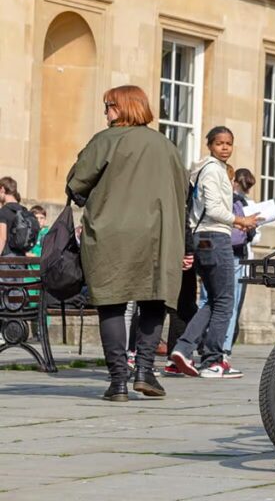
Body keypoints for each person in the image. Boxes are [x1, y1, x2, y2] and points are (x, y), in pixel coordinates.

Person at [66, 85, 187, 401]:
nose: (104, 112)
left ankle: (118, 381)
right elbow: (184, 192)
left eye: (107, 105)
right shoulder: (167, 146)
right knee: (154, 300)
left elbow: (76, 182)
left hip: (112, 232)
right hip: (160, 235)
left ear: (120, 108)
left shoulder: (106, 140)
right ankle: (144, 372)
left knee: (112, 303)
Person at [168, 127, 260, 379]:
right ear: (209, 145)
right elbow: (213, 208)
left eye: (229, 143)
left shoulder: (209, 169)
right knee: (225, 301)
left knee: (212, 299)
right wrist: (241, 221)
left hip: (204, 238)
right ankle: (213, 360)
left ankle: (183, 349)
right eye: (219, 143)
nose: (225, 147)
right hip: (214, 237)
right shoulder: (212, 170)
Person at [226, 168, 258, 352]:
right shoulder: (247, 203)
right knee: (232, 303)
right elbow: (254, 235)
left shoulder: (237, 201)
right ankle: (224, 347)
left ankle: (210, 345)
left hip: (219, 249)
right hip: (239, 255)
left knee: (209, 301)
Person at [0, 177, 39, 257]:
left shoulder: (3, 211)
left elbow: (2, 238)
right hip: (21, 260)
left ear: (2, 189)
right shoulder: (24, 210)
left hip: (7, 260)